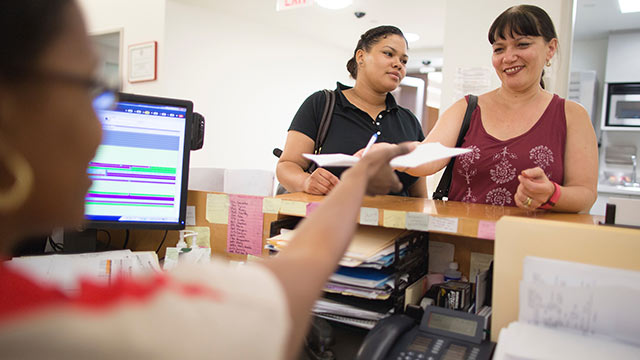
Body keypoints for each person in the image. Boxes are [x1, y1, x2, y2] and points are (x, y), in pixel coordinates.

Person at [0, 1, 415, 359]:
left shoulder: (407, 118)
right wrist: (354, 181)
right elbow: (282, 292)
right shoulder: (62, 327)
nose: (100, 126)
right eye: (89, 86)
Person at [406, 5, 597, 212]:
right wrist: (392, 154)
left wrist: (551, 193)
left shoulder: (571, 115)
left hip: (532, 241)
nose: (508, 57)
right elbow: (426, 159)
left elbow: (585, 194)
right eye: (499, 49)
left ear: (550, 49)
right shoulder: (466, 108)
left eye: (522, 45)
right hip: (461, 241)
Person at [276, 25, 427, 197]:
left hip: (396, 224)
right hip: (332, 220)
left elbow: (419, 197)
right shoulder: (321, 104)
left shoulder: (409, 120)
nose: (398, 64)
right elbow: (287, 165)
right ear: (361, 56)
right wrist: (306, 181)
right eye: (388, 54)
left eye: (404, 61)